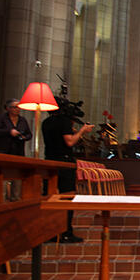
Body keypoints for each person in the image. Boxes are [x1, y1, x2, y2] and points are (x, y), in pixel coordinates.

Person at [42, 98, 94, 243]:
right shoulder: (64, 121)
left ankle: (49, 232)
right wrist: (82, 131)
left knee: (49, 197)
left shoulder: (46, 122)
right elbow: (69, 142)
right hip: (64, 163)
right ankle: (66, 232)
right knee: (67, 196)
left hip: (49, 161)